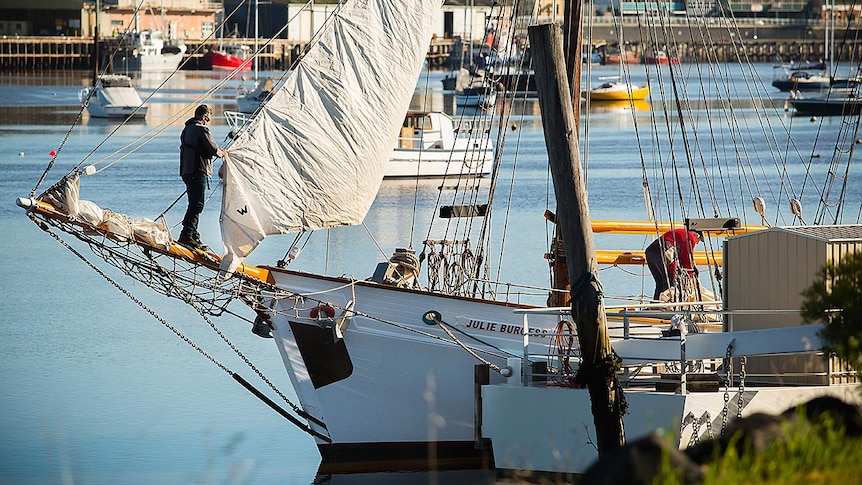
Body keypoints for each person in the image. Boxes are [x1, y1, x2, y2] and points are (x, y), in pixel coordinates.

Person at [178, 104, 225, 251]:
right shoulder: (201, 130)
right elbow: (213, 150)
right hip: (197, 170)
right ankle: (186, 235)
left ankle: (193, 235)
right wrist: (223, 153)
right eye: (208, 119)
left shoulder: (186, 130)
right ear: (204, 117)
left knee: (194, 203)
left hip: (186, 171)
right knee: (197, 205)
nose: (208, 121)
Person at [645, 228, 701, 301]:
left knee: (660, 282)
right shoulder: (690, 237)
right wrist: (690, 273)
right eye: (699, 240)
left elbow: (680, 256)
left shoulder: (681, 233)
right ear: (696, 235)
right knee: (670, 281)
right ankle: (665, 305)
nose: (697, 243)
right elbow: (686, 256)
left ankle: (656, 304)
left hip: (651, 251)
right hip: (663, 251)